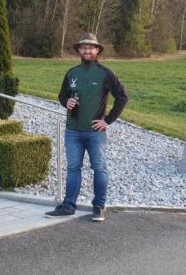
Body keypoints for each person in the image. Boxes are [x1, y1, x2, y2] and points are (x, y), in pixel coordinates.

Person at [46, 33, 128, 222]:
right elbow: (62, 96)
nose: (87, 50)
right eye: (83, 47)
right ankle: (68, 206)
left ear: (97, 50)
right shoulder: (72, 73)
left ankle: (99, 207)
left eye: (91, 47)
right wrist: (66, 102)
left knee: (99, 168)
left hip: (94, 132)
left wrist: (107, 121)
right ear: (79, 51)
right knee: (73, 168)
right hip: (73, 131)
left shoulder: (105, 73)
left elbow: (123, 97)